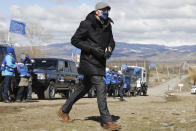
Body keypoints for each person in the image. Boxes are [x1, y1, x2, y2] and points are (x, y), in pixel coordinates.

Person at [57, 2, 121, 130]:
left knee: (83, 88)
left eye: (108, 10)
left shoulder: (108, 25)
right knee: (101, 85)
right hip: (89, 61)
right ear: (97, 11)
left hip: (101, 61)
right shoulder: (86, 23)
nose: (106, 13)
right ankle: (107, 121)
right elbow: (74, 40)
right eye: (104, 10)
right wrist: (91, 49)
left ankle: (64, 110)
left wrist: (109, 49)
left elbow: (111, 41)